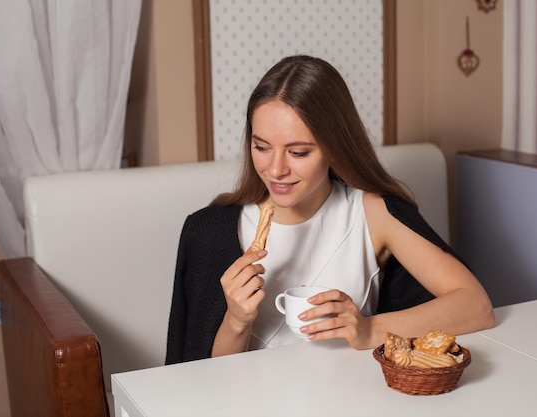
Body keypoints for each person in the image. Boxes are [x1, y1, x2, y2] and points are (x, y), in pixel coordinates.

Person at [165, 55, 495, 364]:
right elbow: (206, 380)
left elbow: (477, 306)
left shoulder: (372, 213)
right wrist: (237, 319)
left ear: (334, 148)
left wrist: (367, 330)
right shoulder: (209, 231)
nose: (276, 169)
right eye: (261, 147)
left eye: (298, 152)